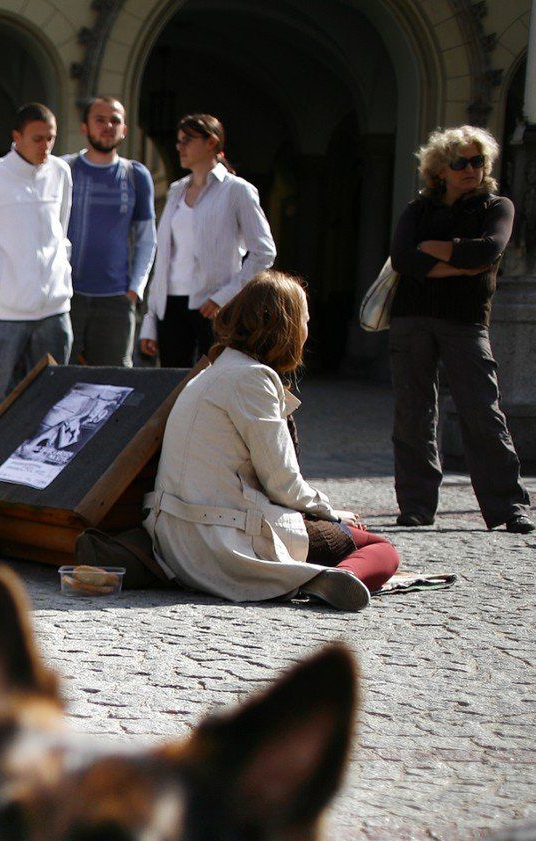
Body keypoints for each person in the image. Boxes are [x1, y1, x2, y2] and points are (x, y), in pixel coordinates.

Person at [143, 270, 400, 612]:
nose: (308, 329)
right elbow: (282, 483)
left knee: (350, 538)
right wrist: (331, 513)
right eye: (305, 319)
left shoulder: (213, 369)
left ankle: (324, 576)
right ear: (287, 326)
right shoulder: (253, 378)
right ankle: (324, 579)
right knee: (382, 550)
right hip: (218, 541)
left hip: (175, 539)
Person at [387, 125, 533, 533]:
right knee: (413, 414)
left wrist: (434, 252)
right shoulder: (417, 210)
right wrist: (463, 262)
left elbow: (488, 250)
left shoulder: (496, 207)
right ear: (440, 170)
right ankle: (416, 506)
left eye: (478, 161)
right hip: (411, 320)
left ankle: (507, 507)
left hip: (466, 320)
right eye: (460, 162)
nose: (471, 169)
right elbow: (402, 259)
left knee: (482, 412)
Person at [139, 114, 275, 368]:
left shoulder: (237, 190)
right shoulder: (176, 190)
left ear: (211, 142)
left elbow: (263, 252)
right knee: (172, 387)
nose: (180, 147)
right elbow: (165, 256)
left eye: (187, 140)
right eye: (178, 141)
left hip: (213, 306)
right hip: (170, 304)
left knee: (213, 381)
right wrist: (151, 319)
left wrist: (224, 297)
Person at [0, 103, 74, 393]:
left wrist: (61, 273)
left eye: (51, 138)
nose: (45, 145)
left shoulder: (61, 172)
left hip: (54, 308)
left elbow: (62, 227)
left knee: (54, 396)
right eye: (37, 138)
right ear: (16, 137)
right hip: (5, 311)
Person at [65, 96, 156, 367]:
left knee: (114, 383)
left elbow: (146, 239)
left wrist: (134, 290)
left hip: (116, 301)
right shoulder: (63, 169)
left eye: (115, 120)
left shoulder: (136, 175)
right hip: (66, 297)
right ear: (85, 127)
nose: (108, 126)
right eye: (100, 120)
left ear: (124, 129)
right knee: (57, 378)